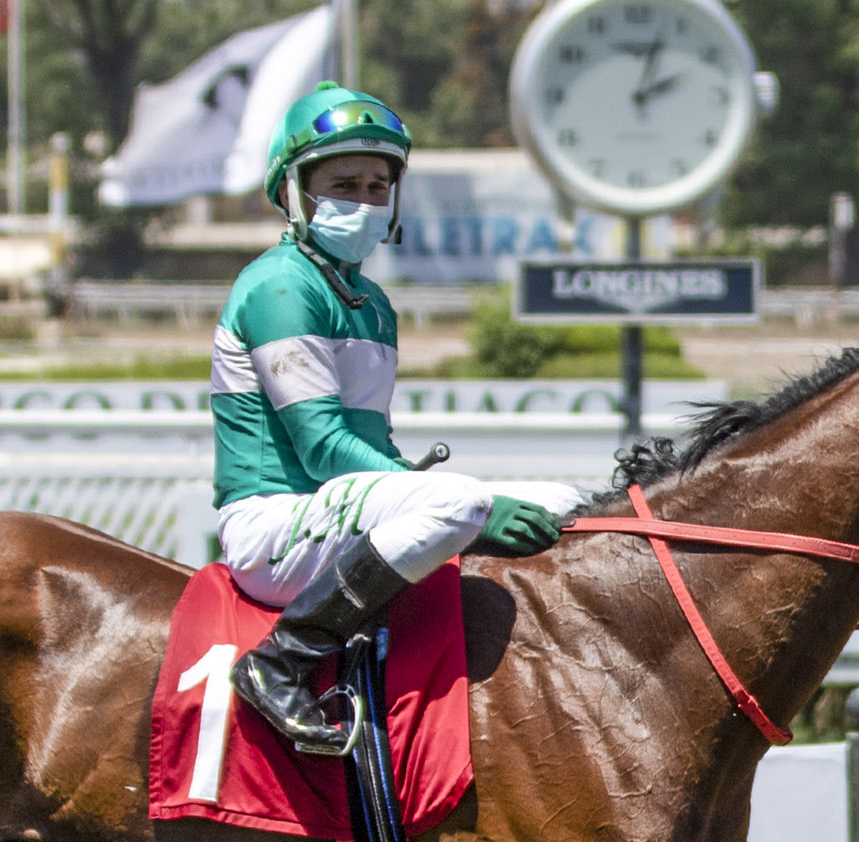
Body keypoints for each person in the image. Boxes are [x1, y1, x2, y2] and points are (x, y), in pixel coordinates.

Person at [211, 82, 586, 754]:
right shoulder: (278, 286)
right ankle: (283, 660)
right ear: (294, 192)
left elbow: (371, 446)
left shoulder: (372, 303)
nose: (362, 201)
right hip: (272, 526)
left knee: (566, 501)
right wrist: (450, 503)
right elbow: (325, 449)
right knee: (462, 502)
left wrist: (422, 493)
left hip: (335, 511)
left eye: (377, 186)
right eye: (342, 185)